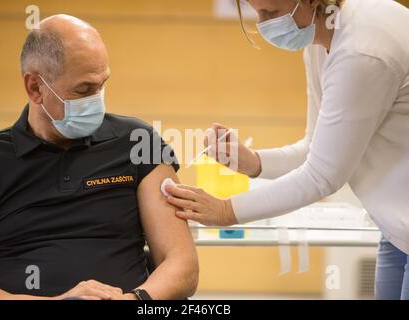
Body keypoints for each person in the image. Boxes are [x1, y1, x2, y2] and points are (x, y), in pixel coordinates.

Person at [165, 0, 409, 299]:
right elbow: (314, 148)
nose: (263, 24)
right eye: (257, 13)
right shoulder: (321, 38)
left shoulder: (361, 51)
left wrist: (227, 210)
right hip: (397, 229)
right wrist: (254, 163)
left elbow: (322, 178)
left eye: (271, 13)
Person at [0, 14, 198, 300]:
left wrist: (134, 300)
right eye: (84, 89)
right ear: (35, 87)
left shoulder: (138, 142)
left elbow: (182, 264)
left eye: (102, 84)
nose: (97, 98)